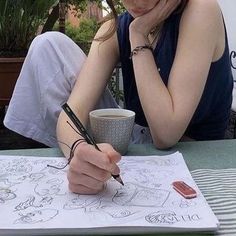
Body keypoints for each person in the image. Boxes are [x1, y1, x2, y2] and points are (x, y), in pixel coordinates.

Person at [4, 0, 233, 194]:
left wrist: (138, 33)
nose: (136, 2)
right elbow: (71, 114)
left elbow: (166, 133)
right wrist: (78, 149)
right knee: (48, 45)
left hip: (189, 150)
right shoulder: (115, 28)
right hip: (128, 143)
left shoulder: (201, 9)